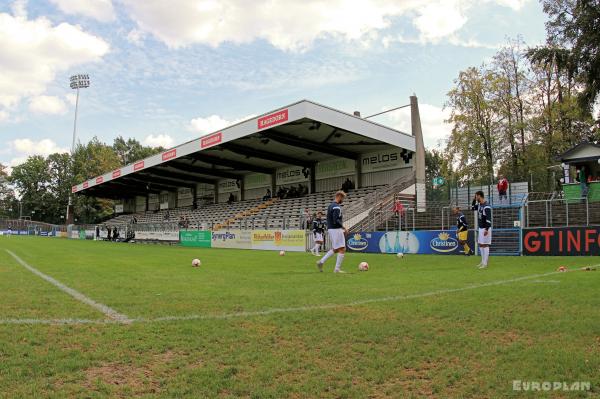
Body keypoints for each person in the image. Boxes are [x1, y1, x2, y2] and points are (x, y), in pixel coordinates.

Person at [316, 191, 348, 273]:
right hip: (336, 229)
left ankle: (321, 261)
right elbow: (335, 220)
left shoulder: (330, 205)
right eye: (343, 198)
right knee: (342, 249)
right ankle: (336, 269)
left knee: (336, 249)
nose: (343, 200)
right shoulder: (336, 207)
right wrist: (343, 227)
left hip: (332, 229)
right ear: (339, 196)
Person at [471, 191, 492, 269]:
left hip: (485, 228)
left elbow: (488, 218)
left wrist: (487, 229)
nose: (475, 197)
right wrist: (473, 200)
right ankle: (482, 261)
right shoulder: (480, 205)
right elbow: (472, 208)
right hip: (480, 228)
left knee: (485, 245)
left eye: (476, 196)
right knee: (480, 244)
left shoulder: (487, 206)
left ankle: (485, 263)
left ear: (479, 196)